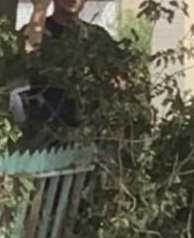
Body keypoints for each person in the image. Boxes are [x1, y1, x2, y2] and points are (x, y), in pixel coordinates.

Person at [8, 1, 124, 139]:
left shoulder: (96, 37)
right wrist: (39, 9)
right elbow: (27, 56)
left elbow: (119, 81)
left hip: (85, 130)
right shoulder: (38, 30)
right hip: (41, 127)